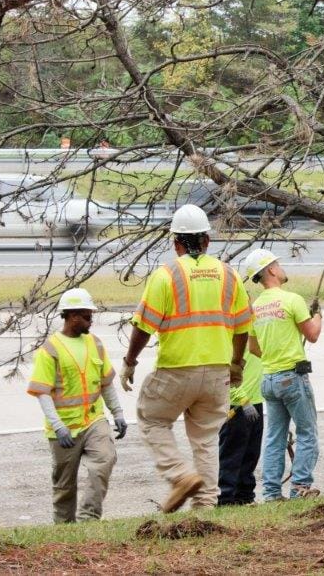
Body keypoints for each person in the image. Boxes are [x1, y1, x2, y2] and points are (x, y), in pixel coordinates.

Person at [120, 204, 252, 512]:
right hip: (218, 372)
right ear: (207, 240)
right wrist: (236, 365)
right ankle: (205, 508)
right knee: (206, 440)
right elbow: (243, 325)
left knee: (152, 418)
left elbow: (144, 326)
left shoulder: (166, 275)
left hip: (177, 369)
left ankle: (180, 476)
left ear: (175, 242)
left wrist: (130, 361)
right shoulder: (229, 275)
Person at [26, 288, 127, 524]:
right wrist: (58, 426)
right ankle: (64, 531)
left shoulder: (95, 344)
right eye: (87, 316)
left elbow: (106, 384)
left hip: (93, 420)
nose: (91, 321)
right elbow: (42, 392)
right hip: (64, 428)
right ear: (72, 317)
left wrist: (118, 413)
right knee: (64, 486)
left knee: (104, 460)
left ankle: (88, 518)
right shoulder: (50, 349)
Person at [242, 249, 322, 500]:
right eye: (278, 264)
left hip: (269, 380)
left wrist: (274, 349)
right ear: (272, 270)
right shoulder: (292, 300)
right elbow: (313, 335)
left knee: (274, 438)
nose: (282, 267)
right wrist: (318, 315)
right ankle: (300, 488)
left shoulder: (255, 307)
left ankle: (271, 493)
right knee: (307, 433)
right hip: (293, 378)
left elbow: (253, 348)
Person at [217, 346, 264, 506]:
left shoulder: (253, 332)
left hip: (255, 401)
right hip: (237, 405)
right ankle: (225, 498)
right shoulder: (233, 337)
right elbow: (224, 375)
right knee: (232, 454)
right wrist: (242, 399)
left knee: (251, 453)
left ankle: (244, 496)